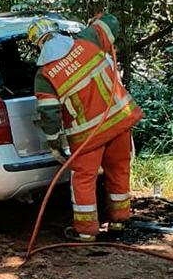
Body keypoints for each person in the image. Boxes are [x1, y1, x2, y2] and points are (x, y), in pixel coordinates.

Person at [28, 13, 143, 242]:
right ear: (57, 31)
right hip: (120, 119)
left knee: (83, 179)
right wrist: (98, 18)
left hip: (88, 135)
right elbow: (111, 22)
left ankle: (87, 232)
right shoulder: (87, 40)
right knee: (119, 168)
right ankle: (119, 221)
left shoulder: (45, 75)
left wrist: (54, 145)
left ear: (37, 43)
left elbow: (49, 114)